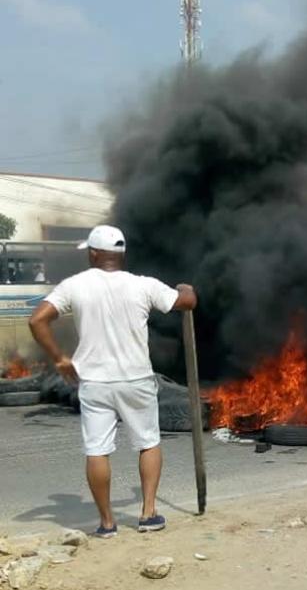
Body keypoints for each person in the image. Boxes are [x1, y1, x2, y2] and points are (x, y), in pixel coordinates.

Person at [27, 225, 196, 538]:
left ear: (93, 254)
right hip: (137, 379)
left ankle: (107, 524)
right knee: (148, 442)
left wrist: (60, 359)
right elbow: (186, 301)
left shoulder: (74, 285)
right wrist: (185, 288)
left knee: (97, 450)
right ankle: (148, 514)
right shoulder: (143, 285)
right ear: (122, 254)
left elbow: (37, 319)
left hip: (94, 382)